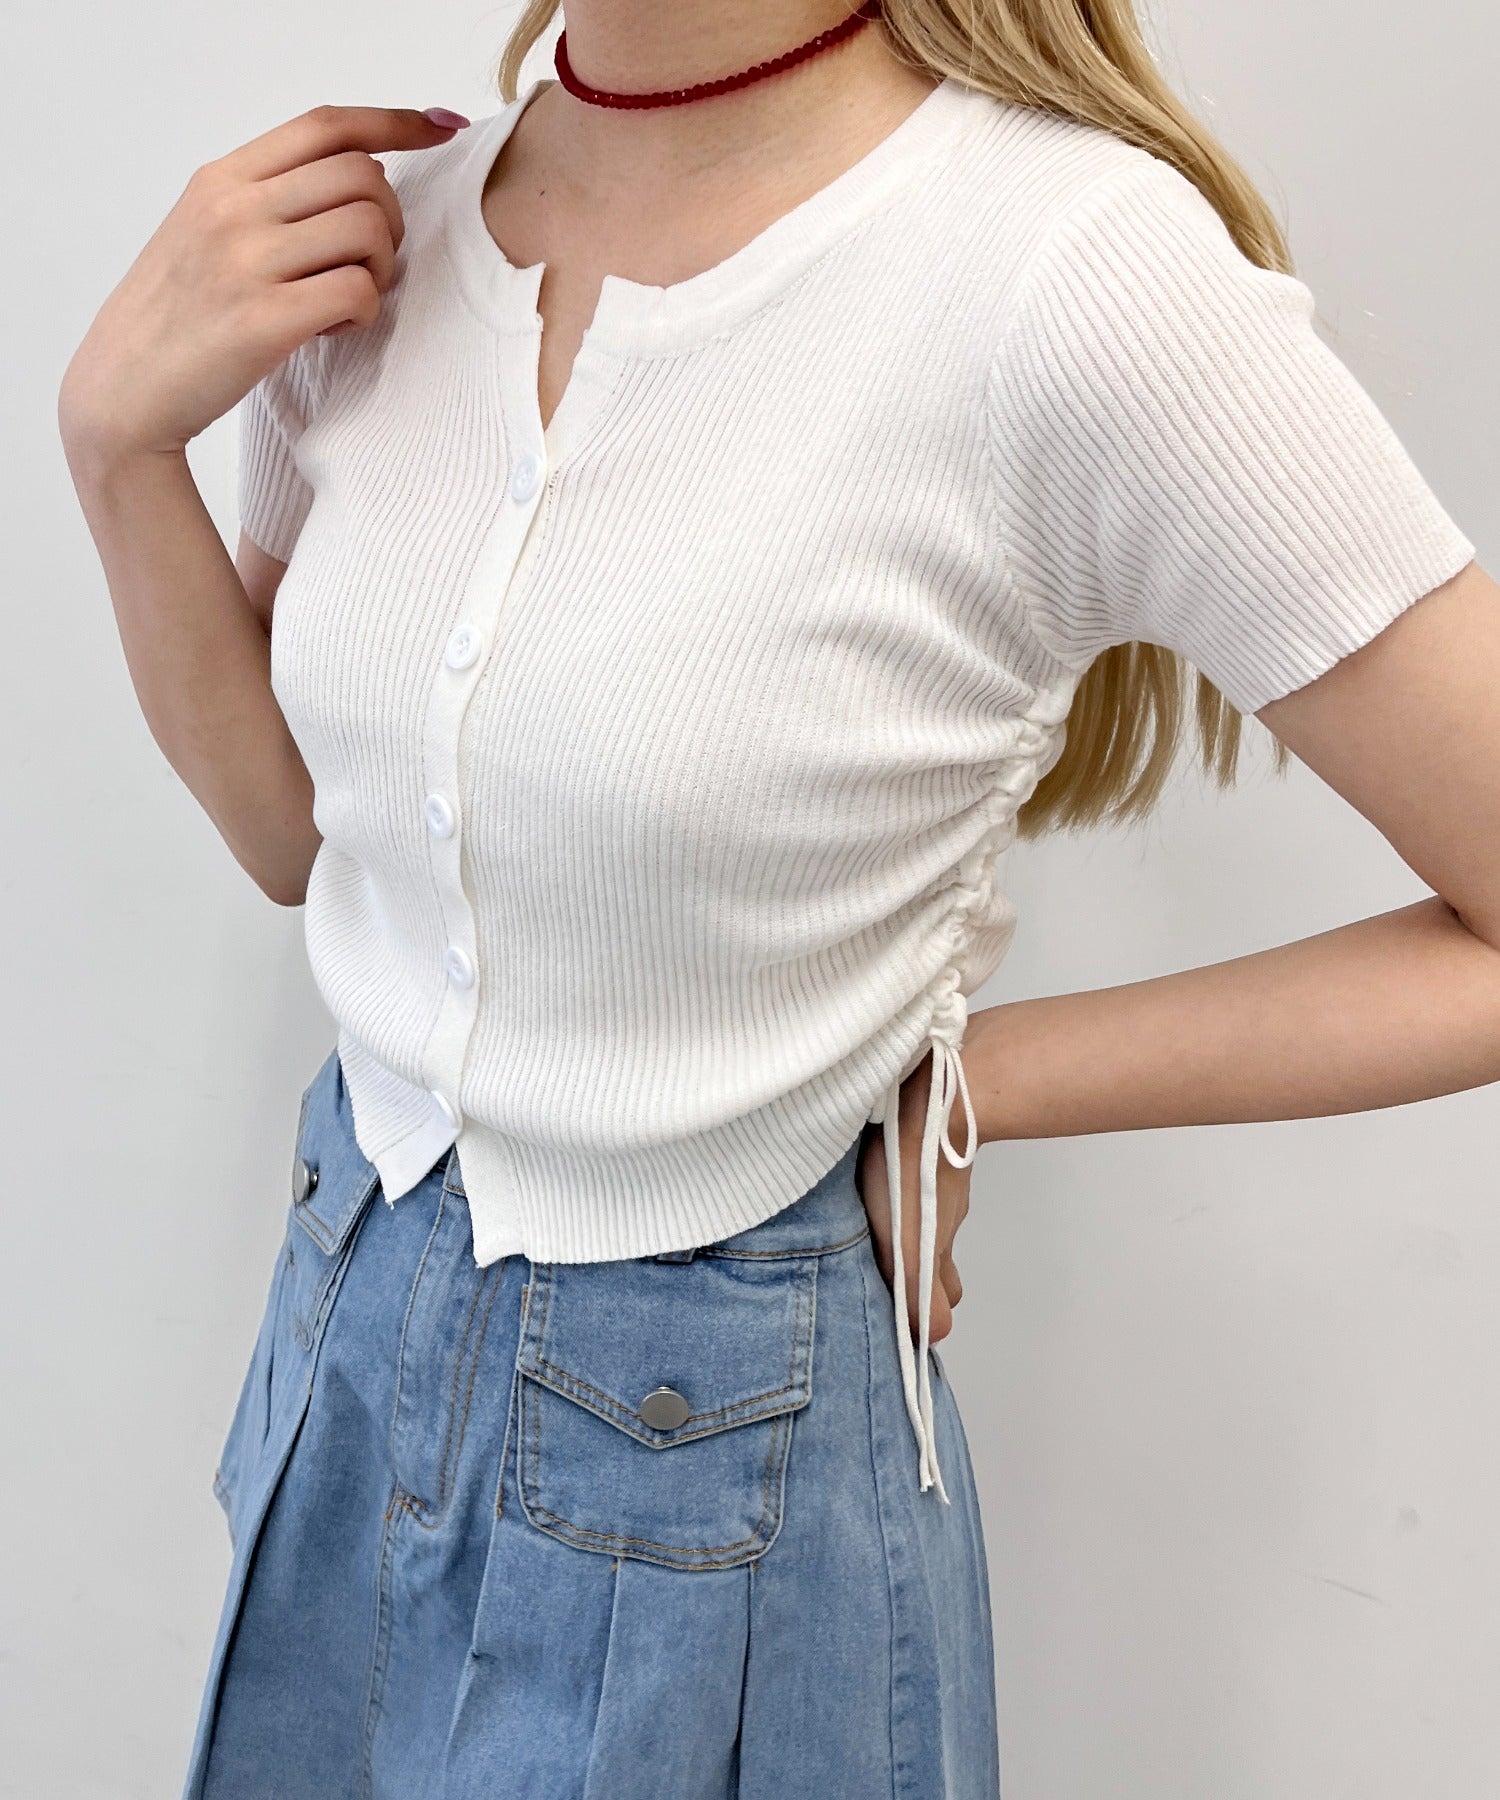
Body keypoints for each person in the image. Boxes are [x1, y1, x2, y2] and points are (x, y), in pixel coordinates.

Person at [57, 0, 1497, 1793]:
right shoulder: (372, 232)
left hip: (711, 1484)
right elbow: (298, 836)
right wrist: (118, 451)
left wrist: (974, 1082)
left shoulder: (1072, 276)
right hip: (339, 1361)